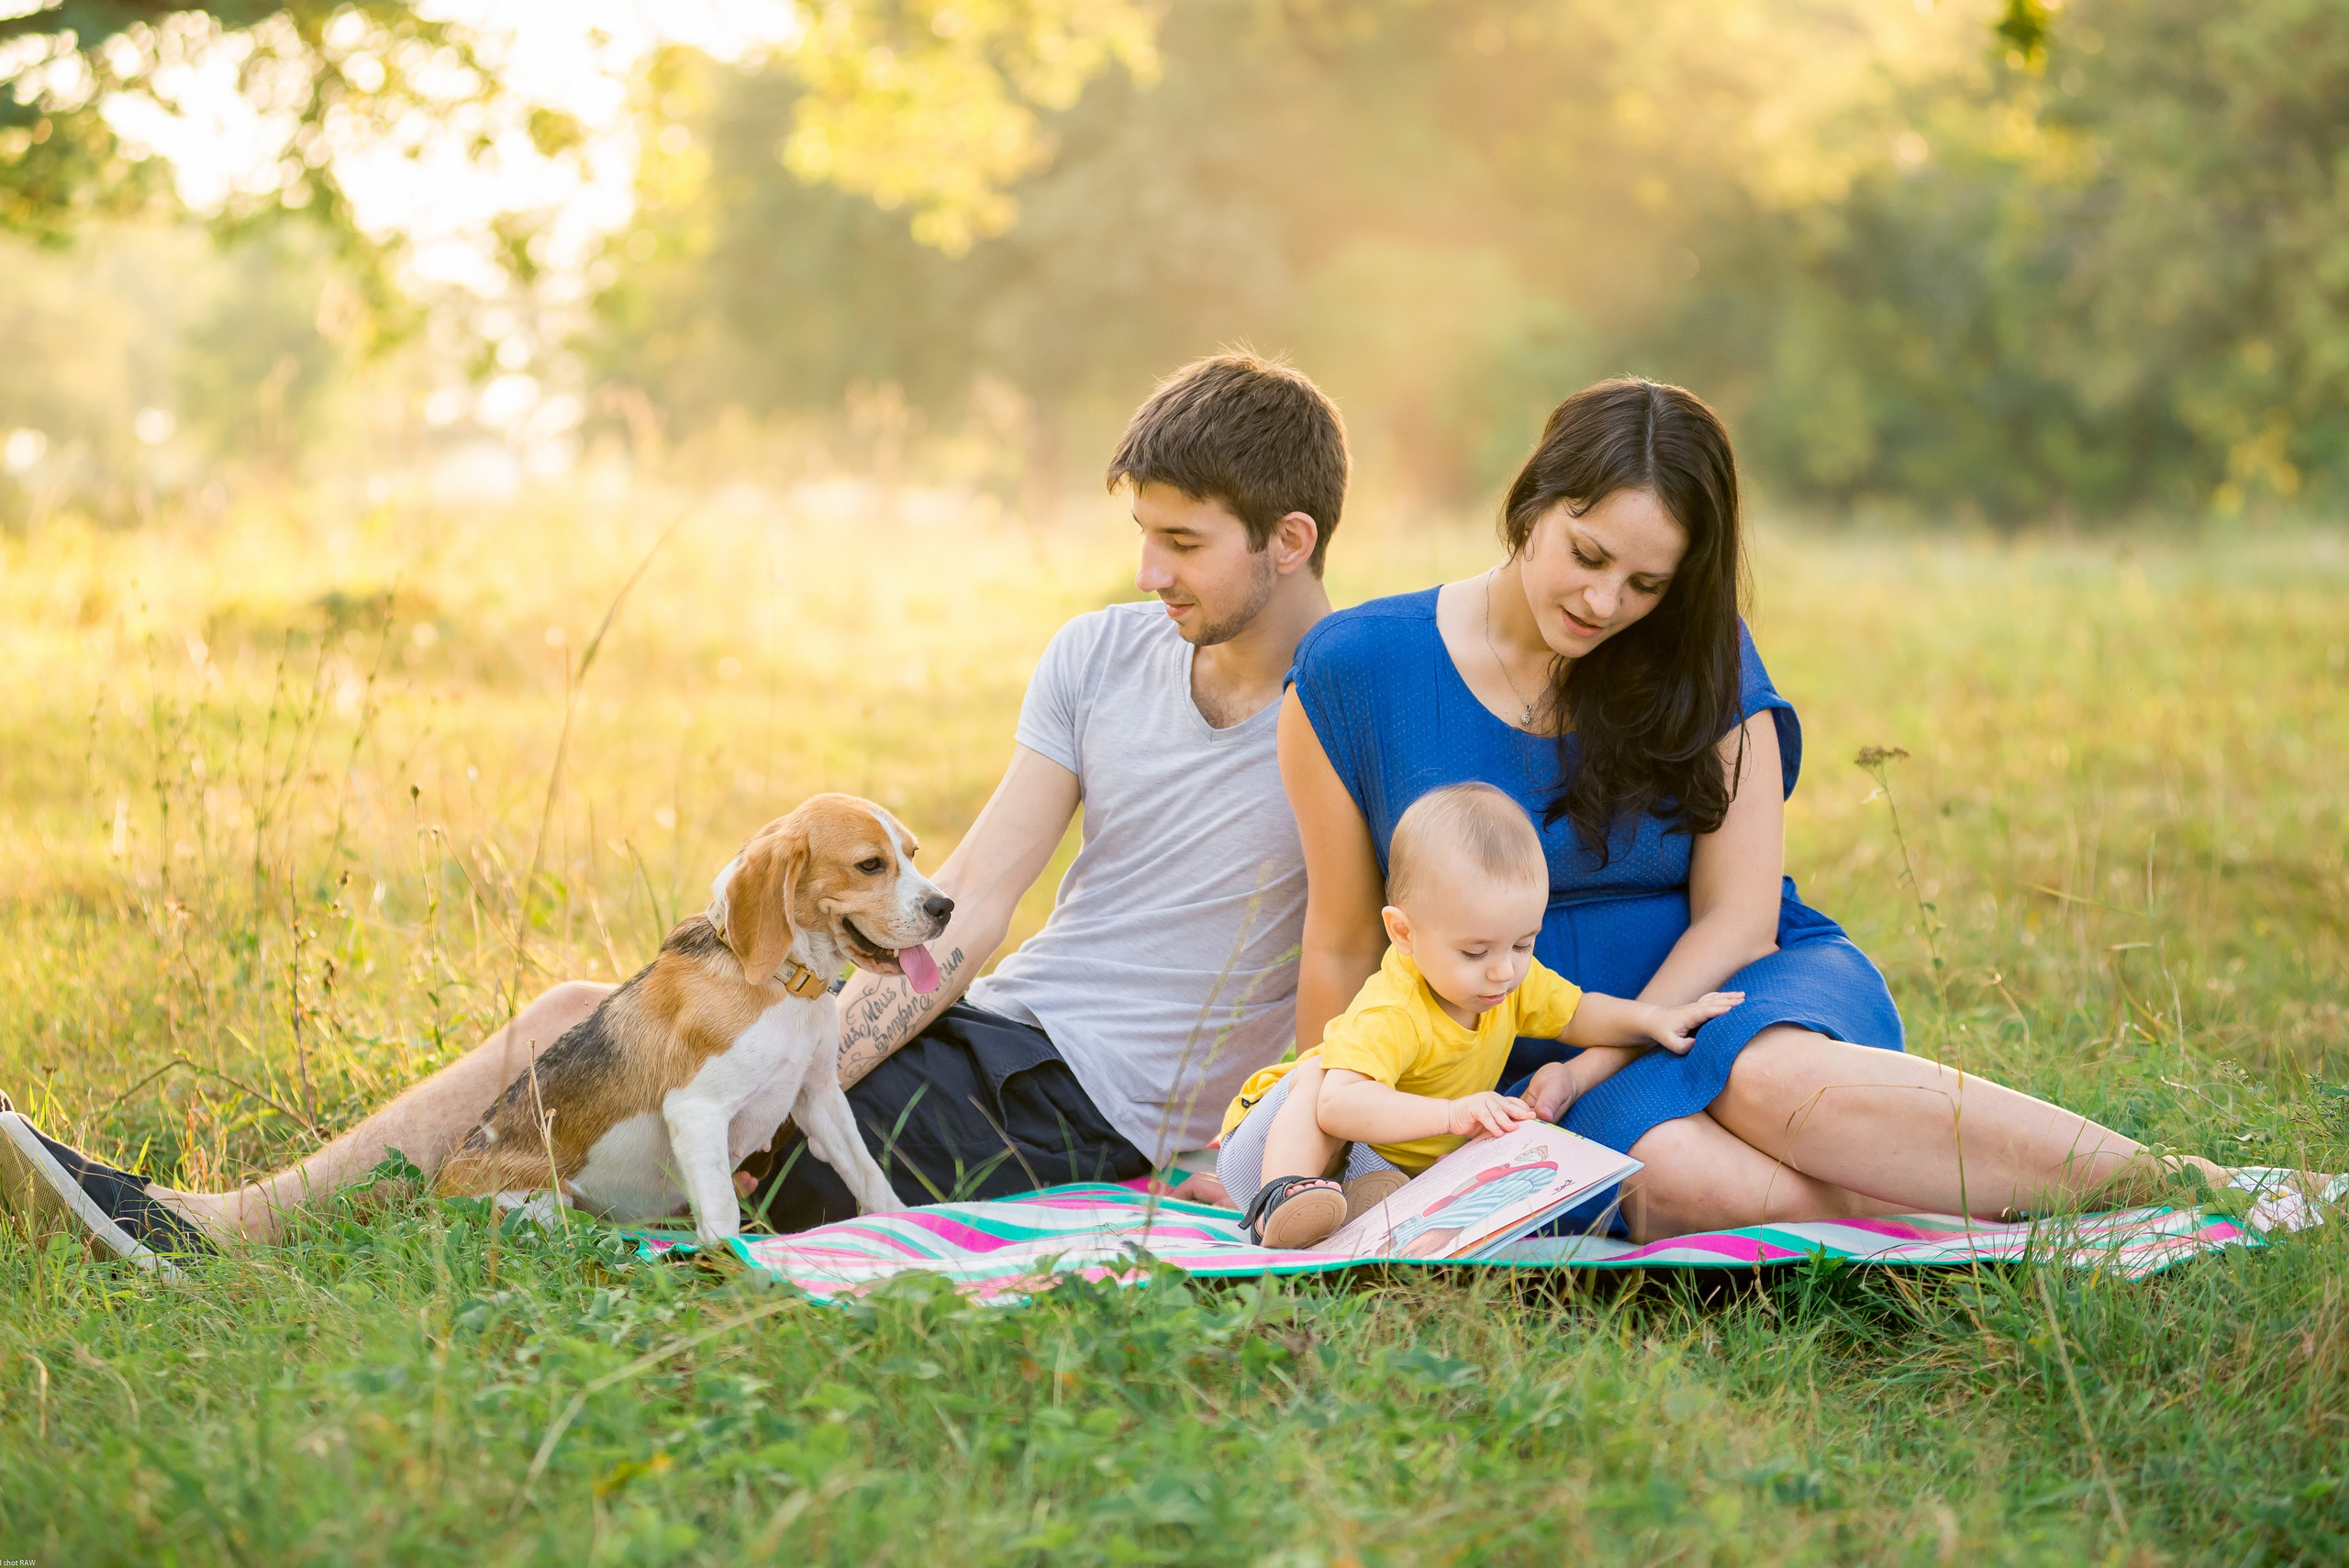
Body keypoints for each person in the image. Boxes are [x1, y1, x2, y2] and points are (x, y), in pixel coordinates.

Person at [0, 351, 1347, 1260]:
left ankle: (237, 1232)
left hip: (1089, 1113)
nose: (1149, 572)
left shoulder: (1354, 702)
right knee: (598, 1026)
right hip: (988, 1030)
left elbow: (1371, 957)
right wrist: (795, 1043)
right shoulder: (1098, 654)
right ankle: (232, 1225)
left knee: (629, 1081)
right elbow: (973, 906)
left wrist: (1285, 1154)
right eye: (1141, 536)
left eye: (1183, 543)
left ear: (1288, 541)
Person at [1280, 376, 2235, 1241]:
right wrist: (1326, 1154)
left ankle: (2186, 1183)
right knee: (1676, 1181)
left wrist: (1599, 1058)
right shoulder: (1357, 668)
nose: (1605, 602)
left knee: (1771, 1079)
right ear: (1531, 502)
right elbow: (1343, 941)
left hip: (1731, 983)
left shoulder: (1701, 654)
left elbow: (1737, 917)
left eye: (1646, 584)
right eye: (1587, 554)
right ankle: (1984, 1207)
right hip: (1527, 1047)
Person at [1215, 782, 1740, 1246]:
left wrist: (1650, 1019)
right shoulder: (1393, 1008)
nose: (1503, 972)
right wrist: (1453, 1115)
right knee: (1322, 1072)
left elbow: (1578, 1013)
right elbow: (1336, 1108)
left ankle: (1348, 1211)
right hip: (1270, 1145)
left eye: (1523, 944)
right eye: (1474, 952)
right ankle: (1279, 1199)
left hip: (1362, 1160)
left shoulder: (1506, 982)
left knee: (1421, 1181)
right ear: (1403, 933)